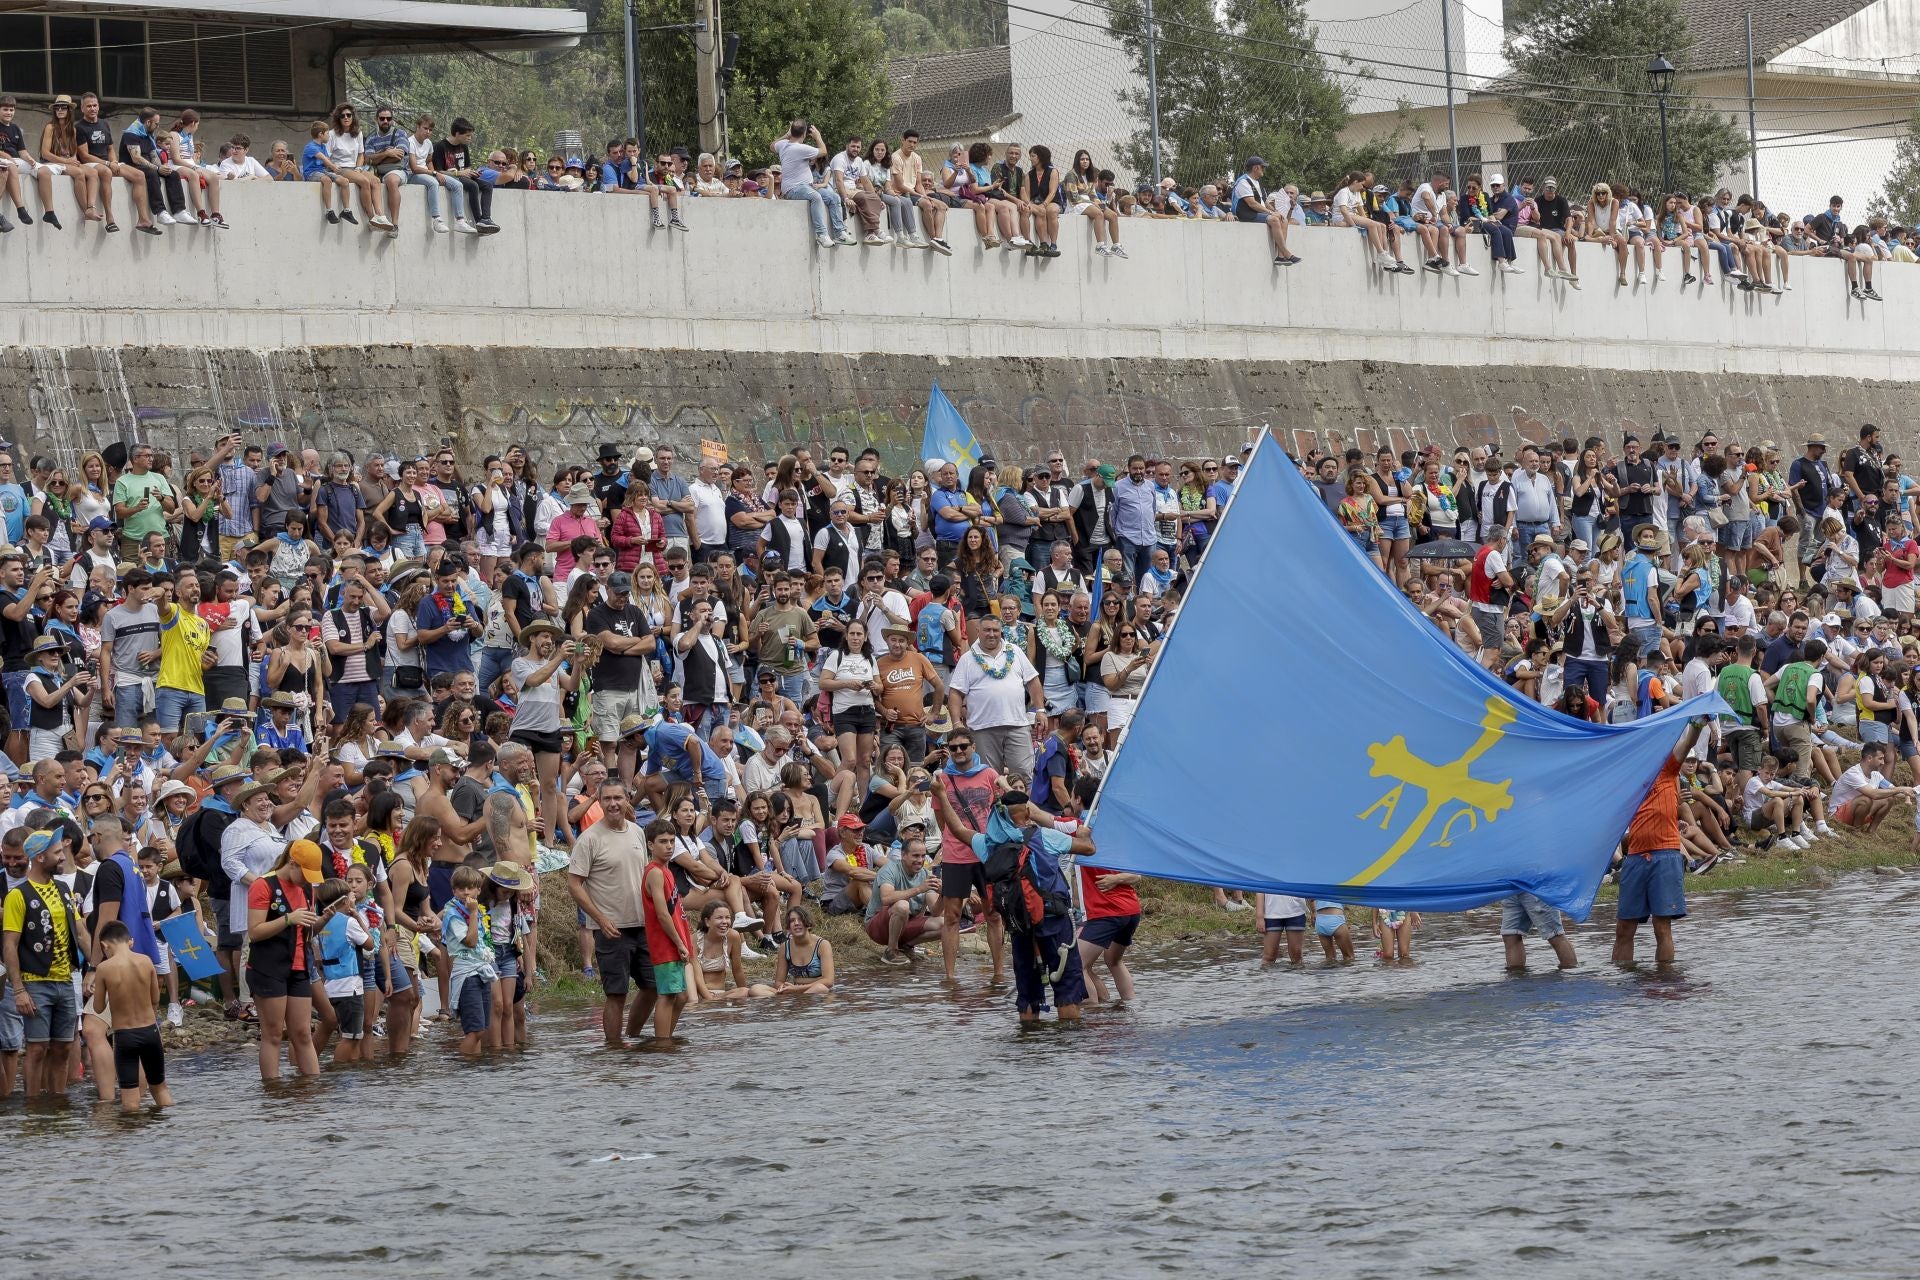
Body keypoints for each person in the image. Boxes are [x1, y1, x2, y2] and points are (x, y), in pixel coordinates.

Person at [567, 778, 655, 1046]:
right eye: (608, 799)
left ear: (627, 799)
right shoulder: (589, 839)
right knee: (616, 994)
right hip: (611, 929)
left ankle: (634, 1037)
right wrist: (600, 919)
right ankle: (614, 1048)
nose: (614, 804)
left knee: (653, 987)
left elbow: (646, 876)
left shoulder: (638, 832)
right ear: (600, 801)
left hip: (642, 924)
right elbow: (574, 884)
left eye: (618, 798)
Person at [1613, 718, 1707, 967]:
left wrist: (1697, 725)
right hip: (1634, 857)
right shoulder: (1626, 777)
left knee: (1661, 926)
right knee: (1624, 928)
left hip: (1665, 854)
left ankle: (1665, 983)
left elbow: (1688, 742)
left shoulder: (1667, 767)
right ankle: (1621, 987)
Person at [2, 828, 86, 1097]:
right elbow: (10, 945)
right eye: (57, 853)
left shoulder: (63, 889)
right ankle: (33, 1106)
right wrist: (18, 990)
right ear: (40, 857)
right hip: (35, 982)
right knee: (37, 1049)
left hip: (65, 979)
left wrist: (95, 966)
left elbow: (81, 931)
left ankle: (57, 1104)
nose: (63, 857)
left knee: (62, 1048)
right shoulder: (19, 895)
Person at [89, 919, 173, 1112]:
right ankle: (170, 1134)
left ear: (104, 945)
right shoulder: (146, 961)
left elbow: (99, 1007)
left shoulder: (104, 968)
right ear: (131, 942)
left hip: (125, 1036)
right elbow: (155, 997)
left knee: (130, 1096)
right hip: (150, 1032)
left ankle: (132, 1138)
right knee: (160, 1088)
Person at [640, 817, 693, 1038]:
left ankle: (666, 1037)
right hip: (665, 943)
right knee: (668, 996)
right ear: (651, 845)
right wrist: (679, 943)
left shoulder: (667, 870)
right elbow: (662, 914)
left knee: (680, 997)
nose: (669, 846)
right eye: (663, 841)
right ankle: (662, 1043)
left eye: (672, 841)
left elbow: (675, 911)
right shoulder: (654, 872)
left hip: (675, 941)